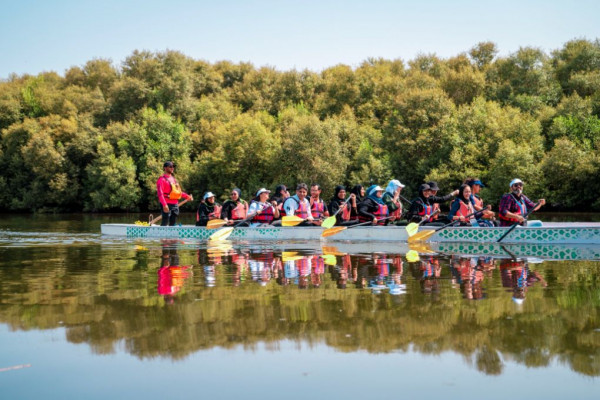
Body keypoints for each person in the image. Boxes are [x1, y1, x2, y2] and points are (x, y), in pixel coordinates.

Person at [156, 161, 193, 226]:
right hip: (166, 203)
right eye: (170, 166)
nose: (172, 168)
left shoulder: (173, 179)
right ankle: (161, 235)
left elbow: (178, 192)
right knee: (165, 220)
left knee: (173, 222)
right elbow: (160, 194)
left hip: (175, 204)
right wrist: (164, 205)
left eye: (173, 167)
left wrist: (187, 196)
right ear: (165, 168)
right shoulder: (161, 180)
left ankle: (171, 235)